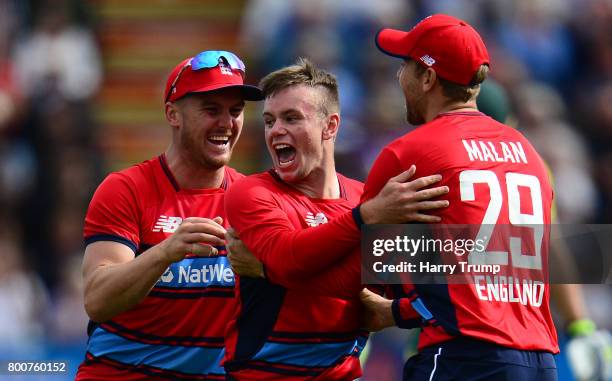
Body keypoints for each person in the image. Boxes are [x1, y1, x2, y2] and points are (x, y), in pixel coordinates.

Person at [221, 58, 450, 380]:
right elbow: (290, 259)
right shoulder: (253, 192)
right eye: (270, 121)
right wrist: (367, 219)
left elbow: (437, 288)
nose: (276, 131)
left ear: (330, 126)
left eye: (292, 118)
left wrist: (395, 312)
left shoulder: (365, 199)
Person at [359, 14, 559, 380]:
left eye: (405, 65)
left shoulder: (410, 153)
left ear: (428, 77)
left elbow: (361, 264)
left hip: (466, 357)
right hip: (540, 360)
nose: (399, 77)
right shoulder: (529, 153)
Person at [76, 50, 264, 380]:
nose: (226, 123)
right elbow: (97, 300)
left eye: (236, 111)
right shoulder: (125, 189)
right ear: (172, 114)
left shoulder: (253, 199)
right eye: (211, 110)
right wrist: (165, 252)